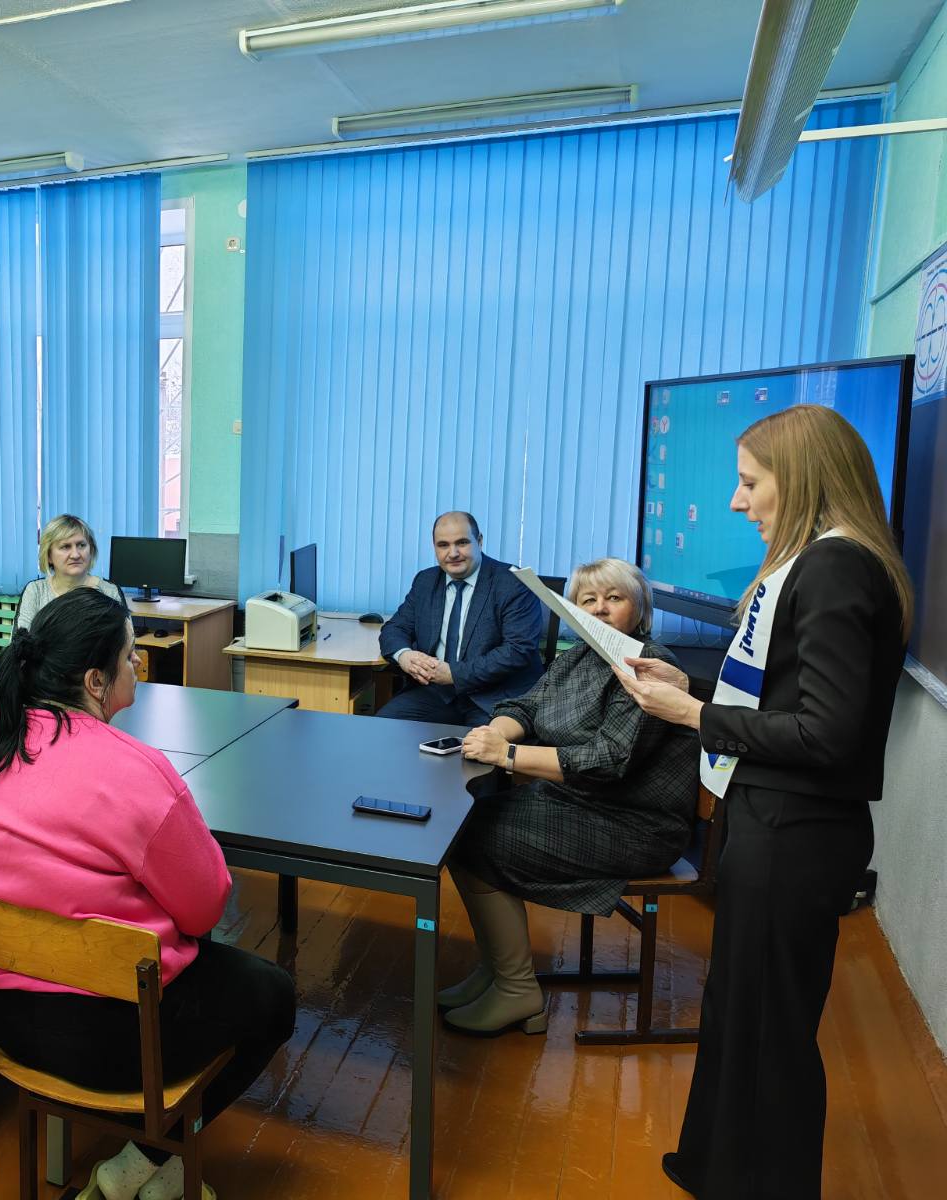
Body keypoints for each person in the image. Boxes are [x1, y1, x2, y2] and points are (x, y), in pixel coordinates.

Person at [616, 405, 912, 1200]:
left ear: (803, 479)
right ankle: (715, 1168)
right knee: (737, 1011)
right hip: (774, 818)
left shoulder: (835, 568)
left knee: (770, 1032)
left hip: (796, 832)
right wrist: (692, 685)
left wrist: (694, 715)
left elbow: (826, 734)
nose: (736, 501)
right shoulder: (821, 562)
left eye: (750, 482)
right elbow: (782, 697)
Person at [0, 588, 295, 1200]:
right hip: (117, 1040)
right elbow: (205, 907)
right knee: (272, 994)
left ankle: (145, 1161)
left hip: (4, 1014)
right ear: (95, 680)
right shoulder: (135, 767)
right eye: (130, 654)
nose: (137, 662)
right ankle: (149, 1157)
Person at [441, 558, 697, 1036]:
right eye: (588, 600)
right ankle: (499, 969)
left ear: (640, 609)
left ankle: (517, 989)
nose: (599, 610)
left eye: (614, 598)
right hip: (579, 802)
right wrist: (494, 733)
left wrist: (508, 755)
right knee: (459, 828)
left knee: (476, 840)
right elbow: (526, 706)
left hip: (637, 824)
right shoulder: (579, 656)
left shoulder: (650, 666)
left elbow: (608, 760)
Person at [378, 511, 544, 726]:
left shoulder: (513, 582)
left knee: (476, 746)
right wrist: (404, 656)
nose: (453, 553)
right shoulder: (426, 581)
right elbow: (395, 628)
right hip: (436, 693)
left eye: (462, 543)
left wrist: (454, 674)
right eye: (443, 545)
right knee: (381, 729)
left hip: (495, 697)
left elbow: (518, 650)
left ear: (479, 541)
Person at [15, 513, 124, 629]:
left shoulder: (109, 592)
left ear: (91, 550)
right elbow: (21, 638)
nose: (75, 555)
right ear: (49, 556)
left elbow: (124, 638)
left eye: (81, 545)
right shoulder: (36, 591)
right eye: (65, 547)